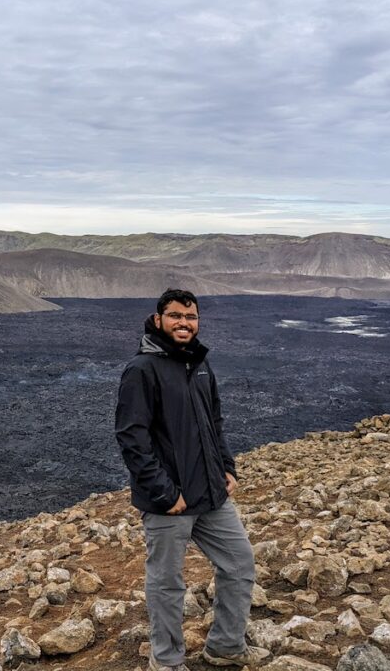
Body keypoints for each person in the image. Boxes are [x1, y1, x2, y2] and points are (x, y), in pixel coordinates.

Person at [114, 288, 268, 671]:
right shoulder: (142, 369)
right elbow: (132, 437)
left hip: (211, 494)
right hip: (171, 502)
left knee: (239, 564)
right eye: (176, 316)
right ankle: (166, 662)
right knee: (167, 583)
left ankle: (226, 647)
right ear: (158, 319)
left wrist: (226, 467)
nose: (184, 323)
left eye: (191, 316)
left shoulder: (199, 363)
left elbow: (213, 420)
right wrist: (165, 493)